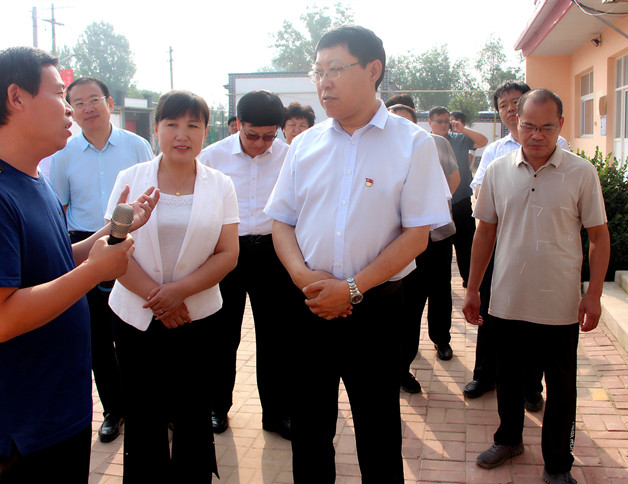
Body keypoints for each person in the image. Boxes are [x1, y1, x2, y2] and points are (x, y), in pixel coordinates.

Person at [0, 47, 157, 483]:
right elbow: (0, 318)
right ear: (16, 98)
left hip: (60, 405)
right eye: (60, 94)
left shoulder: (32, 178)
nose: (70, 109)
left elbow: (54, 262)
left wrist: (111, 232)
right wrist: (94, 271)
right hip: (25, 424)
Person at [265, 26, 450, 482]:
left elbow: (416, 236)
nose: (323, 82)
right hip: (309, 306)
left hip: (376, 312)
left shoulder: (413, 143)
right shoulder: (304, 145)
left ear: (373, 70)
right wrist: (304, 278)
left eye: (335, 69)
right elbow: (282, 221)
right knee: (310, 429)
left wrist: (349, 289)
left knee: (379, 430)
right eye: (318, 71)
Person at [462, 89, 609, 484]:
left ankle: (558, 464)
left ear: (560, 125)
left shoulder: (581, 172)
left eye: (546, 127)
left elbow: (598, 236)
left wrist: (593, 294)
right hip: (507, 299)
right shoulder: (497, 170)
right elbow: (484, 233)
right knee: (507, 379)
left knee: (561, 388)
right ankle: (508, 439)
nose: (536, 135)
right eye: (528, 125)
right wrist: (473, 289)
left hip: (560, 304)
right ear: (516, 122)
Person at [107, 90, 239, 483]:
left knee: (192, 409)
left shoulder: (220, 184)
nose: (182, 134)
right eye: (172, 124)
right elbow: (113, 248)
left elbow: (227, 253)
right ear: (156, 128)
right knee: (143, 411)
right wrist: (160, 299)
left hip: (197, 316)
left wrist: (179, 292)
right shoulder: (130, 179)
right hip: (135, 316)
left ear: (205, 132)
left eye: (193, 125)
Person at [49, 75, 154, 443]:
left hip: (133, 244)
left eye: (94, 99)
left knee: (137, 328)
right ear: (71, 110)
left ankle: (152, 407)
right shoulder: (63, 153)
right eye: (77, 103)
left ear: (110, 103)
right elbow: (60, 207)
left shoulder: (137, 145)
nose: (87, 108)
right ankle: (113, 409)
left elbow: (152, 194)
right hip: (85, 246)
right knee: (96, 337)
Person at [199, 90, 299, 439]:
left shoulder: (289, 157)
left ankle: (277, 413)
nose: (260, 144)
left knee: (276, 337)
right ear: (238, 124)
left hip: (274, 252)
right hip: (226, 252)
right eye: (252, 135)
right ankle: (216, 407)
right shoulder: (212, 157)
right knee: (221, 335)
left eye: (269, 136)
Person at [463, 80, 570, 405]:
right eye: (503, 105)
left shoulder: (557, 143)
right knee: (490, 313)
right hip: (499, 243)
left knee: (535, 318)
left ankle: (531, 387)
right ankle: (484, 375)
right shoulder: (495, 152)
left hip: (540, 248)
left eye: (515, 101)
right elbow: (479, 190)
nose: (510, 108)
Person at [388, 102, 459, 394]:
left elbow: (453, 178)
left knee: (439, 291)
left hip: (436, 236)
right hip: (399, 242)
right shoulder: (381, 150)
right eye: (393, 120)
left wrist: (431, 208)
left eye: (406, 120)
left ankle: (441, 339)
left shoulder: (435, 143)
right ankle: (402, 366)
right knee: (407, 303)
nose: (400, 126)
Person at [427, 105, 487, 359]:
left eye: (446, 121)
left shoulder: (457, 139)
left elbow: (482, 142)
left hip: (457, 205)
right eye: (439, 121)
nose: (444, 125)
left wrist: (462, 128)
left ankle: (469, 282)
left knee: (464, 248)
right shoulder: (422, 143)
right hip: (428, 215)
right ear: (429, 122)